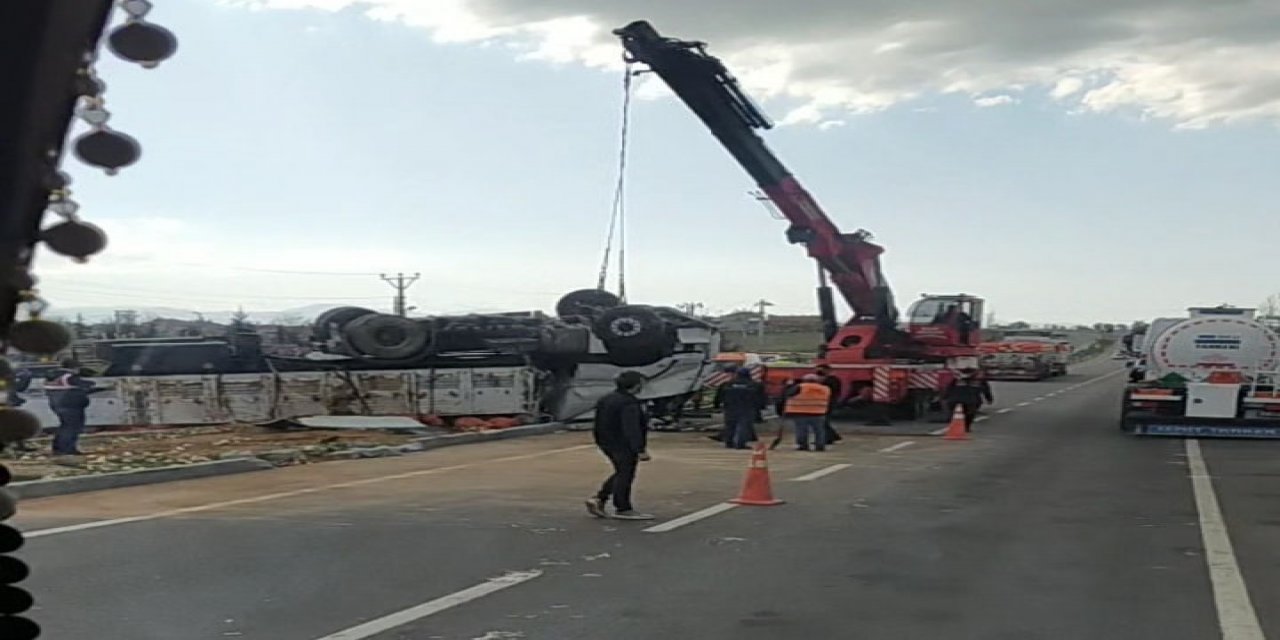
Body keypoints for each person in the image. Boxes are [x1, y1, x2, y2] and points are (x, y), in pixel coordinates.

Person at [585, 371, 654, 521]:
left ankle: (599, 499)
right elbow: (631, 427)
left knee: (621, 472)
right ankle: (623, 507)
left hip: (606, 441)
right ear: (636, 385)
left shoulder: (607, 399)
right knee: (626, 474)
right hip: (623, 443)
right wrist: (640, 449)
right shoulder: (629, 403)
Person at [44, 358, 97, 456]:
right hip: (71, 406)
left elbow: (72, 389)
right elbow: (86, 385)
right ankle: (66, 450)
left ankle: (59, 448)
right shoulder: (69, 377)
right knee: (72, 428)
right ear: (74, 367)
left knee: (65, 426)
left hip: (57, 405)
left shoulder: (52, 376)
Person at [715, 368, 766, 449]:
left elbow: (719, 396)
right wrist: (760, 408)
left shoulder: (727, 384)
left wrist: (717, 405)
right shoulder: (755, 385)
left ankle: (729, 443)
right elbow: (761, 398)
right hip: (747, 408)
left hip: (730, 408)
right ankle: (740, 444)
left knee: (730, 425)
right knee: (744, 426)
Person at [782, 373, 832, 451]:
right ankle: (820, 446)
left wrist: (788, 386)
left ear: (804, 380)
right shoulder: (825, 388)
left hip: (801, 412)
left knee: (802, 430)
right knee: (819, 430)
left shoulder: (800, 387)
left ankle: (803, 445)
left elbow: (788, 394)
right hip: (819, 412)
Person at [943, 368, 993, 432]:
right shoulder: (979, 381)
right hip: (969, 401)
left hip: (958, 400)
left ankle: (960, 426)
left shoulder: (958, 379)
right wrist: (989, 399)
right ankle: (965, 427)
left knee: (958, 413)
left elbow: (949, 388)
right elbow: (986, 391)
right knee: (969, 413)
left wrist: (945, 397)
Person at [814, 365, 844, 444]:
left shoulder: (831, 380)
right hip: (827, 402)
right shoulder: (830, 380)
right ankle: (830, 437)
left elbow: (829, 391)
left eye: (820, 372)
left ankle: (831, 437)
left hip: (828, 402)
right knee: (823, 421)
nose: (818, 374)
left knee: (823, 421)